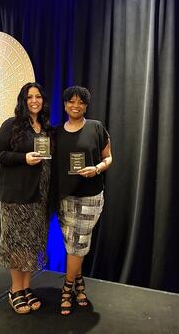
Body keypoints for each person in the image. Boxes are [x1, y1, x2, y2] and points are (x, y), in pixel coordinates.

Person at [0, 82, 53, 314]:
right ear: (23, 101)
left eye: (38, 96)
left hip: (39, 197)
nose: (34, 100)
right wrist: (23, 158)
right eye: (30, 97)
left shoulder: (45, 128)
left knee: (31, 245)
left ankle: (26, 288)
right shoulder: (12, 125)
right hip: (16, 197)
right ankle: (15, 290)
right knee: (16, 244)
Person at [55, 86, 112, 315]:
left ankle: (67, 288)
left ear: (86, 106)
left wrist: (96, 169)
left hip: (90, 197)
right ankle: (80, 284)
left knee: (78, 245)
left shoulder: (96, 127)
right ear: (65, 104)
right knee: (72, 245)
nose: (75, 106)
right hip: (64, 198)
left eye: (80, 102)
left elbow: (109, 158)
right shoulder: (56, 132)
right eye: (71, 102)